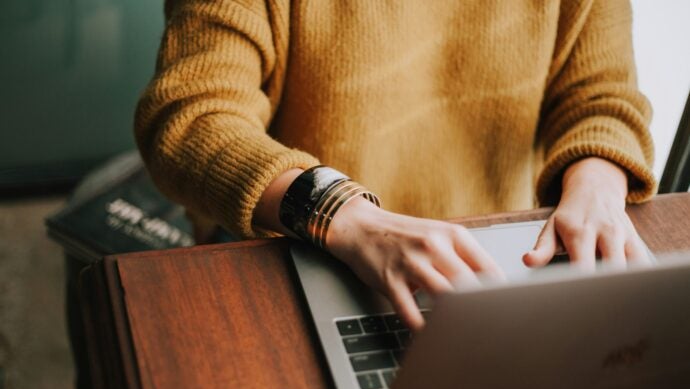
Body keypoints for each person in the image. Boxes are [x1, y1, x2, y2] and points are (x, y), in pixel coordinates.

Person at [135, 0, 656, 330]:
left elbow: (602, 95)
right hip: (301, 248)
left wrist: (598, 185)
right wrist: (346, 215)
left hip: (495, 264)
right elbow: (191, 117)